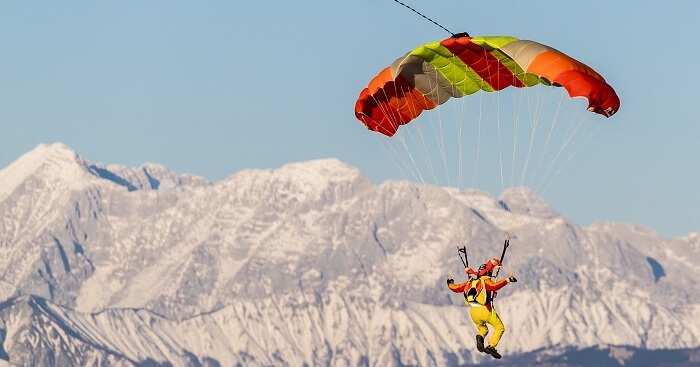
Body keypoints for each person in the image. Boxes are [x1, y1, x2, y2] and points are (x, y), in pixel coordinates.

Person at [447, 258, 517, 359]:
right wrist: (508, 279)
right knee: (499, 327)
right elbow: (495, 286)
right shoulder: (486, 281)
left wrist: (449, 283)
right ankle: (491, 346)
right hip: (485, 310)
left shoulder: (471, 282)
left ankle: (480, 337)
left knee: (483, 328)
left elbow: (456, 288)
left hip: (473, 312)